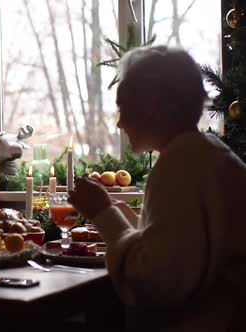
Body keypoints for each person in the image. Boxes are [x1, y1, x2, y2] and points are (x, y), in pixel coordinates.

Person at [67, 46, 246, 331]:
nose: (119, 123)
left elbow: (155, 281)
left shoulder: (180, 165)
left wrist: (103, 213)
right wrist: (131, 221)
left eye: (123, 107)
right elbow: (189, 248)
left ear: (151, 105)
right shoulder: (209, 155)